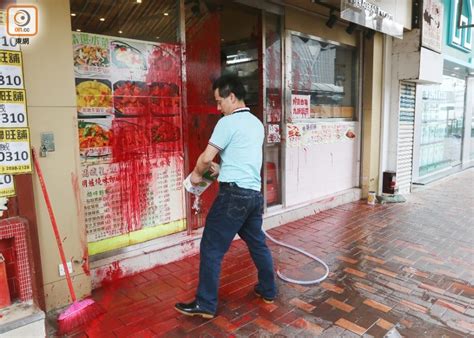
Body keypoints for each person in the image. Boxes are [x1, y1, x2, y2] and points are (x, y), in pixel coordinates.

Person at [175, 74, 277, 319]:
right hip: (253, 196)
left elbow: (206, 158)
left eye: (220, 101)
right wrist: (223, 170)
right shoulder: (256, 123)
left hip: (233, 196)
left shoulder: (227, 123)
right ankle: (268, 289)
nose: (218, 108)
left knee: (211, 247)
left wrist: (197, 177)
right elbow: (243, 158)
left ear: (232, 97)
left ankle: (205, 304)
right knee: (257, 244)